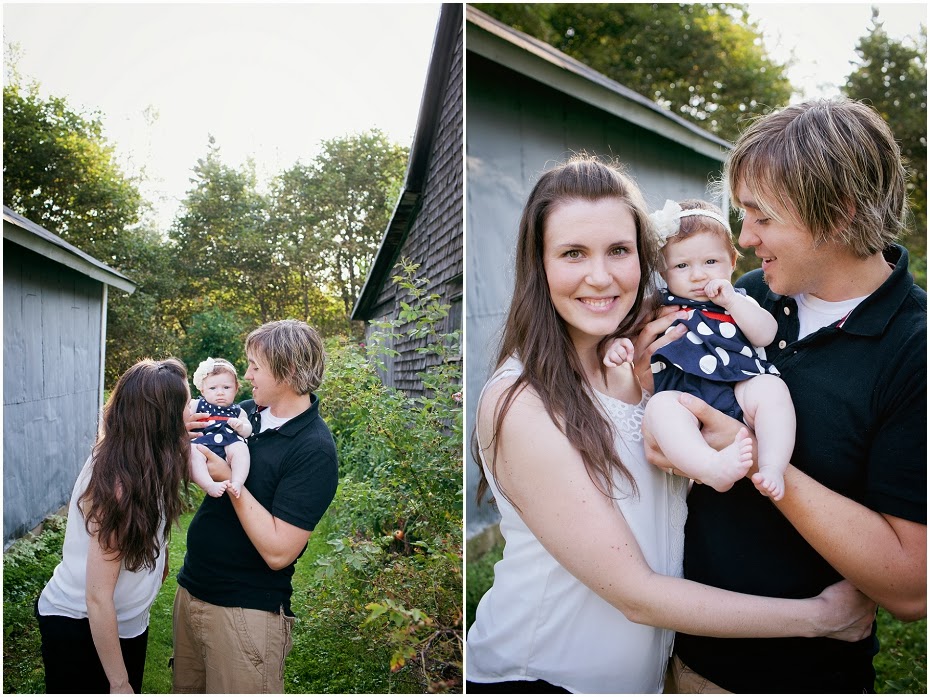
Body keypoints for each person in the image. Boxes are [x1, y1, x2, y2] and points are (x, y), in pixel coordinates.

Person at [465, 155, 876, 694]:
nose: (600, 276)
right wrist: (820, 618)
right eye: (572, 253)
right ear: (538, 264)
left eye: (619, 250)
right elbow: (636, 595)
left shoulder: (650, 367)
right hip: (542, 677)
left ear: (645, 258)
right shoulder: (524, 399)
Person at [642, 99, 926, 693]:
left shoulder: (914, 349)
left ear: (837, 213)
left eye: (762, 218)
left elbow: (910, 586)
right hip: (680, 661)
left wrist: (750, 457)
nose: (745, 239)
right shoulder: (747, 296)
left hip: (801, 679)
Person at [172, 319, 339, 694]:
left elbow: (279, 552)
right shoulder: (244, 414)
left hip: (244, 612)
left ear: (288, 370)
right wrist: (181, 434)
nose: (246, 376)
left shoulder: (314, 449)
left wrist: (229, 479)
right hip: (192, 589)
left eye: (255, 366)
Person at [606, 198, 794, 500]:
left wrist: (732, 301)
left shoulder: (738, 300)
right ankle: (710, 467)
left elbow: (766, 334)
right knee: (660, 408)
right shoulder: (656, 306)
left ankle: (772, 465)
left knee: (772, 388)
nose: (698, 275)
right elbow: (622, 330)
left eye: (711, 262)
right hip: (684, 397)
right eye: (682, 266)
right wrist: (618, 346)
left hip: (738, 388)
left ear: (732, 262)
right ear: (663, 272)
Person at [36, 358, 199, 694]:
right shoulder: (118, 486)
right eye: (186, 403)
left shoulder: (145, 458)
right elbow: (97, 597)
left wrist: (160, 560)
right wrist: (119, 682)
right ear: (162, 418)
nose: (193, 408)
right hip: (81, 626)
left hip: (124, 624)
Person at [189, 356, 252, 498]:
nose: (220, 392)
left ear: (236, 389)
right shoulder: (197, 405)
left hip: (228, 443)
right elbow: (181, 417)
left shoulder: (238, 411)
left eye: (226, 387)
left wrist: (241, 427)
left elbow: (248, 430)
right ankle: (208, 485)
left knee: (241, 448)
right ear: (202, 390)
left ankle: (237, 482)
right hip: (203, 443)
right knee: (192, 452)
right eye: (212, 388)